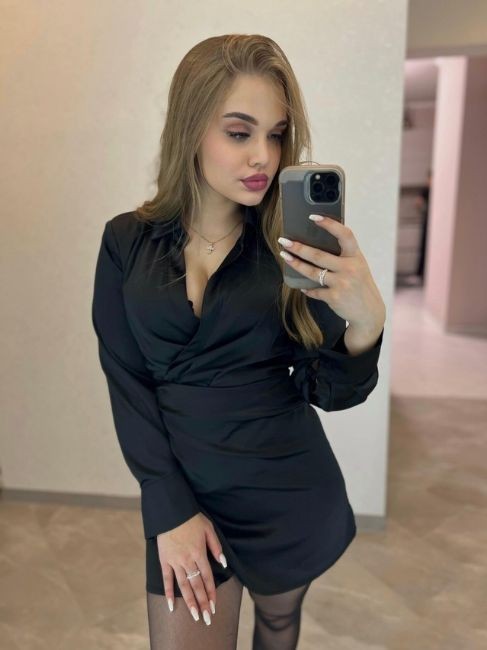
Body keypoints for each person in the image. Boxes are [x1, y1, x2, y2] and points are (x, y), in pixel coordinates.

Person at [91, 34, 386, 650]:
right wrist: (168, 507)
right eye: (238, 132)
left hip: (287, 488)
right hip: (184, 490)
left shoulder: (293, 250)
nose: (264, 157)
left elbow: (330, 393)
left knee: (277, 625)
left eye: (276, 135)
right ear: (190, 129)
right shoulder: (126, 242)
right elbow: (128, 383)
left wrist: (366, 324)